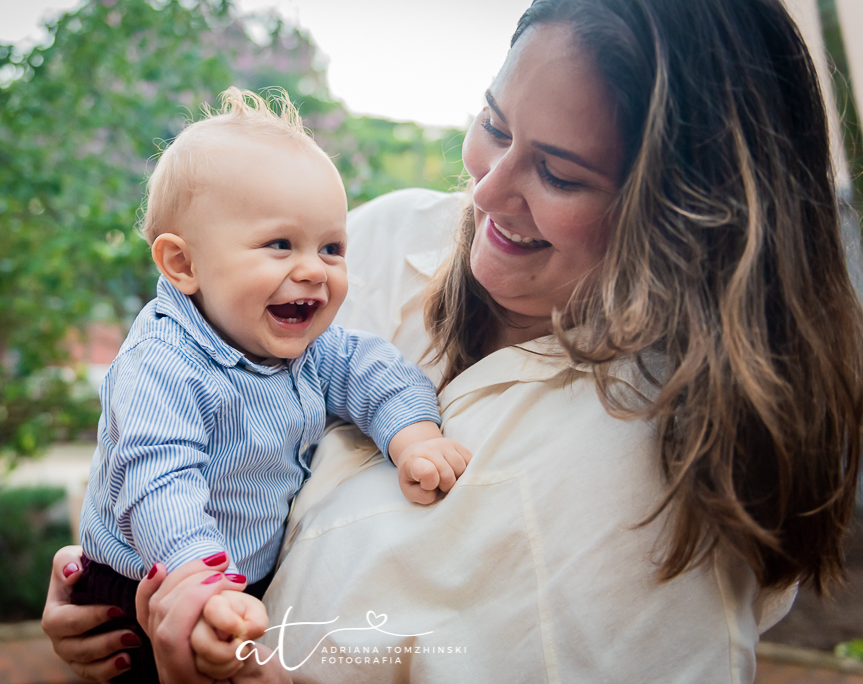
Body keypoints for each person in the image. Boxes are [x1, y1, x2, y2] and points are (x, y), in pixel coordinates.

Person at [42, 0, 863, 681]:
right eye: (495, 126)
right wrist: (118, 577)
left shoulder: (660, 482)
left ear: (682, 211)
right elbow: (172, 417)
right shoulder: (386, 235)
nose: (489, 188)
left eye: (561, 174)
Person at [72, 87, 472, 682]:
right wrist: (199, 583)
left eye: (331, 247)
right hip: (149, 581)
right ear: (183, 264)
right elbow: (156, 480)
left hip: (245, 573)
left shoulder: (303, 344)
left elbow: (373, 369)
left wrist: (412, 436)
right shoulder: (161, 363)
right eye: (279, 244)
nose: (313, 269)